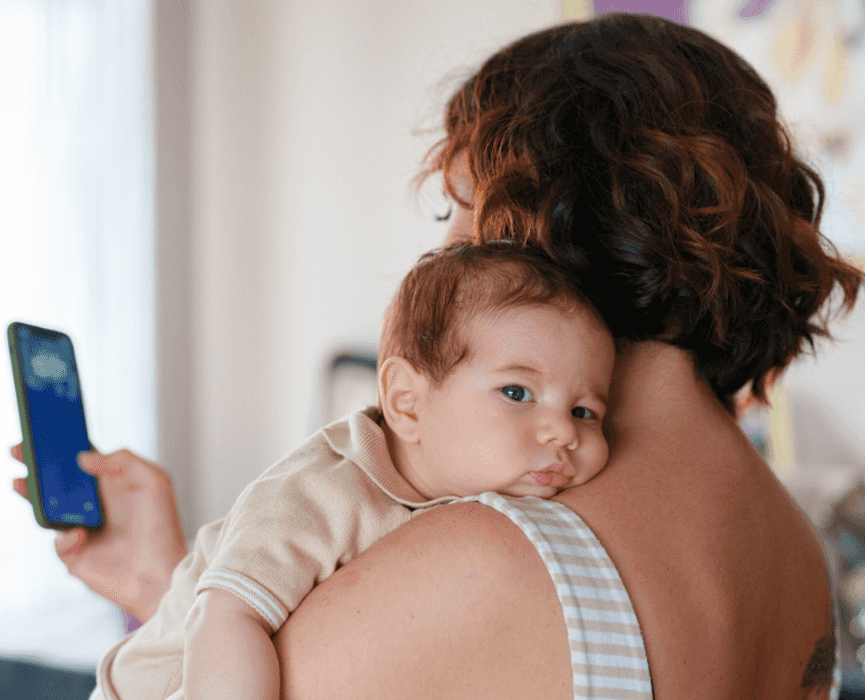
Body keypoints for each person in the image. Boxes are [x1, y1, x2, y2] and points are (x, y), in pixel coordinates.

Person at [14, 11, 865, 700]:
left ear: (545, 226)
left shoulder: (491, 558)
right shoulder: (795, 550)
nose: (449, 261)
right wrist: (180, 583)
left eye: (461, 218)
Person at [104, 243, 615, 700]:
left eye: (585, 411)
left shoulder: (490, 500)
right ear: (406, 403)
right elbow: (225, 618)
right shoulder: (320, 490)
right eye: (517, 393)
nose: (564, 433)